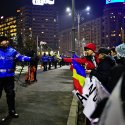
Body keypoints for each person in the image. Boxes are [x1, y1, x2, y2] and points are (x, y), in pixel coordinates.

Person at [0, 36, 33, 118]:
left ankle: (12, 111)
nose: (5, 42)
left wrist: (31, 59)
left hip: (9, 77)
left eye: (6, 40)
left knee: (11, 94)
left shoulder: (12, 51)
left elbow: (20, 57)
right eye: (3, 41)